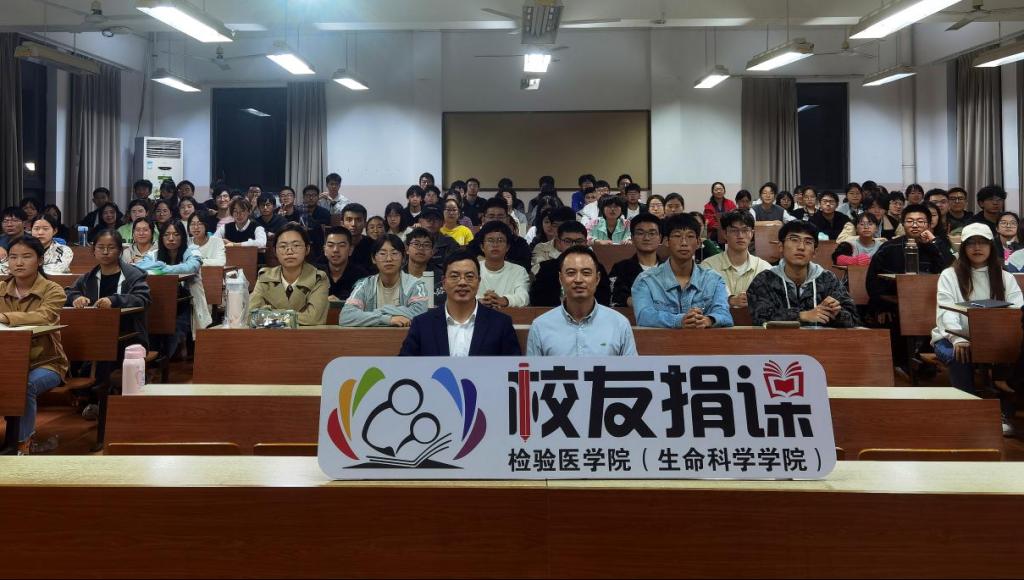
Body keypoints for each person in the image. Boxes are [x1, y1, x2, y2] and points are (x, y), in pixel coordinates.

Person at [932, 223, 1023, 434]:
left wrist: (1002, 338)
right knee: (959, 354)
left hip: (994, 338)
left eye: (982, 243)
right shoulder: (949, 275)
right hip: (953, 337)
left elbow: (1018, 309)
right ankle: (968, 409)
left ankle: (1005, 412)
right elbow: (946, 312)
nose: (977, 248)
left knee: (1013, 354)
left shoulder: (1005, 276)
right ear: (963, 248)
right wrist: (958, 338)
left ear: (991, 246)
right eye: (971, 243)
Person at [66, 229, 151, 419]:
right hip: (94, 335)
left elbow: (142, 298)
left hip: (129, 336)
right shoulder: (88, 277)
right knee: (74, 344)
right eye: (101, 247)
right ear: (93, 250)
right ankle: (87, 394)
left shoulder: (133, 275)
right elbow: (69, 292)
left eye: (111, 247)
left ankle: (97, 399)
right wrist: (76, 298)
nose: (105, 252)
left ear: (120, 250)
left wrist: (114, 300)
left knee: (104, 350)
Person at [0, 236, 69, 454]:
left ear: (40, 260)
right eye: (13, 257)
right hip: (7, 362)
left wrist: (6, 317)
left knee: (25, 385)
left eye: (26, 257)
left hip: (46, 362)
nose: (18, 263)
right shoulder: (1, 288)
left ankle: (23, 445)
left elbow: (44, 316)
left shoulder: (53, 290)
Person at [867, 203, 953, 373]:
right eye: (910, 221)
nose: (915, 225)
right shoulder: (889, 247)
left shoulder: (936, 246)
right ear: (903, 223)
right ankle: (904, 363)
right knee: (893, 319)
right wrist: (880, 305)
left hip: (930, 304)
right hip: (894, 303)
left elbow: (950, 270)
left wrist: (933, 243)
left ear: (928, 224)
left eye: (920, 221)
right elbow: (872, 279)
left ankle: (925, 361)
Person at [399, 251, 521, 357]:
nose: (462, 282)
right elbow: (404, 368)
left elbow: (513, 369)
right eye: (454, 276)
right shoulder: (422, 324)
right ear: (443, 282)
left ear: (478, 281)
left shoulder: (501, 324)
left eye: (469, 276)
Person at [526, 246, 637, 356]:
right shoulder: (540, 326)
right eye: (571, 273)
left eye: (586, 273)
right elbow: (533, 368)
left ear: (597, 278)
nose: (578, 280)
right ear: (561, 278)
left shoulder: (619, 324)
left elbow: (631, 367)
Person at [746, 221, 858, 327]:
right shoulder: (765, 280)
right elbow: (759, 319)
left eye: (808, 242)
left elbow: (854, 319)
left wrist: (837, 314)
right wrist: (802, 316)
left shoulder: (828, 280)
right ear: (781, 247)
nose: (801, 247)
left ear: (814, 252)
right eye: (794, 240)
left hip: (820, 340)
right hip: (778, 341)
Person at [631, 213, 732, 329]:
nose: (684, 243)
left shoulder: (714, 279)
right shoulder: (646, 280)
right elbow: (644, 316)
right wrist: (679, 320)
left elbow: (724, 315)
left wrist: (708, 320)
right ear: (666, 241)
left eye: (690, 236)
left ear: (698, 243)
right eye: (677, 236)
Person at [137, 221, 210, 357]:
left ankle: (164, 356)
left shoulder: (192, 250)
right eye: (167, 235)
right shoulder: (154, 253)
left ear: (183, 236)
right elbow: (139, 267)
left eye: (176, 234)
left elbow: (191, 267)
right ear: (161, 237)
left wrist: (163, 268)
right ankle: (155, 357)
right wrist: (165, 267)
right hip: (159, 301)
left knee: (175, 323)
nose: (171, 238)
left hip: (186, 301)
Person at [248, 223, 330, 326]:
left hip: (306, 335)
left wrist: (270, 314)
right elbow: (251, 316)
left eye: (296, 245)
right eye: (283, 246)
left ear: (307, 249)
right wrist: (292, 317)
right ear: (275, 251)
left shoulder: (318, 278)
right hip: (271, 336)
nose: (289, 251)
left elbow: (313, 319)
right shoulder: (265, 277)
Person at [340, 234, 429, 327]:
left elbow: (421, 314)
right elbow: (346, 316)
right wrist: (386, 319)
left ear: (403, 258)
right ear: (373, 259)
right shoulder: (364, 285)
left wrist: (380, 311)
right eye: (382, 254)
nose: (389, 259)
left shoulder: (415, 285)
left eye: (394, 253)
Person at [702, 210, 772, 308]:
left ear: (752, 234)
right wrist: (729, 300)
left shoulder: (764, 269)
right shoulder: (708, 267)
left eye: (745, 230)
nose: (740, 236)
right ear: (725, 234)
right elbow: (701, 301)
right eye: (734, 231)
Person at [531, 221, 611, 307]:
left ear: (586, 243)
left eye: (579, 241)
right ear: (559, 242)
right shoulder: (546, 268)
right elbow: (538, 300)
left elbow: (604, 300)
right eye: (568, 241)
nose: (573, 245)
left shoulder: (597, 267)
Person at [610, 213, 665, 307]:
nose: (646, 238)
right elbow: (614, 297)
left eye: (652, 233)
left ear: (660, 238)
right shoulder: (621, 268)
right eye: (640, 233)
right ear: (632, 238)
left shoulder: (669, 269)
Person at [476, 221, 530, 308]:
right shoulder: (472, 269)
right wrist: (478, 302)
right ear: (482, 247)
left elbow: (523, 297)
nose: (495, 245)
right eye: (490, 240)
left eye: (500, 240)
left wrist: (505, 300)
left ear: (507, 247)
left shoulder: (519, 271)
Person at [467, 198, 531, 271]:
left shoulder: (520, 243)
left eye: (500, 217)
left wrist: (491, 261)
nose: (496, 220)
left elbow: (526, 267)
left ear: (507, 219)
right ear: (483, 219)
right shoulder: (475, 242)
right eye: (491, 217)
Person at [0, 215, 72, 276]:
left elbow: (56, 270)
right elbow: (4, 268)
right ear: (31, 231)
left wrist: (20, 270)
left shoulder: (63, 250)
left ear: (54, 231)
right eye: (36, 229)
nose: (40, 232)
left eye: (45, 229)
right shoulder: (21, 248)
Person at [315, 226, 369, 302]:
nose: (335, 250)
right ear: (325, 250)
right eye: (330, 245)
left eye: (341, 245)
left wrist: (341, 303)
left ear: (350, 250)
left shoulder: (362, 276)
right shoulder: (314, 273)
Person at [403, 227, 446, 307]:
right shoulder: (397, 275)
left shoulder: (441, 278)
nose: (421, 248)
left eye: (426, 245)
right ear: (407, 249)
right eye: (416, 244)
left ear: (432, 252)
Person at [531, 207, 576, 274]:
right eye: (555, 225)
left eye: (563, 225)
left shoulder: (580, 248)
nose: (559, 230)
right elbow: (537, 272)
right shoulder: (541, 248)